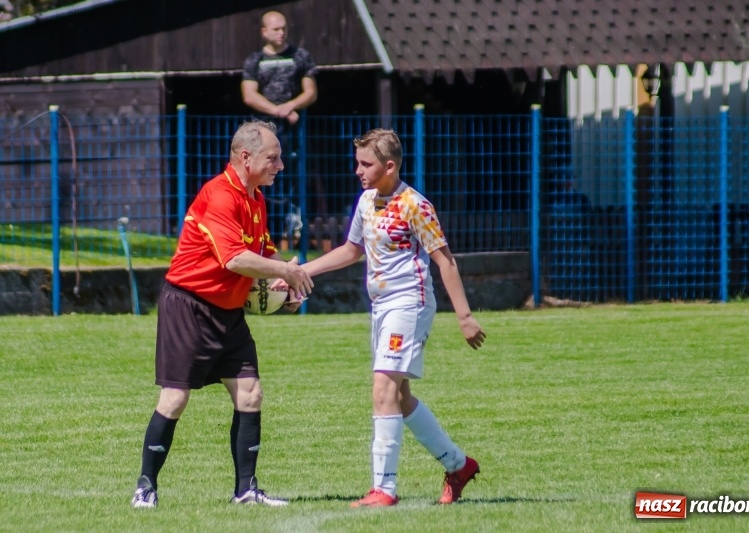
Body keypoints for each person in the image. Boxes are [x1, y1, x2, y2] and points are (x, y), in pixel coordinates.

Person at [130, 120, 314, 509]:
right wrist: (286, 271)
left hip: (229, 312)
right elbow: (233, 258)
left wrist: (283, 290)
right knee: (175, 398)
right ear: (245, 158)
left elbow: (262, 256)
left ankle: (246, 490)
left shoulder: (256, 199)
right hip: (189, 306)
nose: (280, 165)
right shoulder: (219, 195)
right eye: (273, 158)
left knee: (250, 393)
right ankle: (145, 486)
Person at [301, 129, 487, 507]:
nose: (358, 170)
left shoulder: (415, 205)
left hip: (410, 304)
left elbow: (444, 260)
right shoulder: (367, 201)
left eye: (365, 164)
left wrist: (464, 316)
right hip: (382, 307)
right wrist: (303, 271)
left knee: (382, 388)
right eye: (357, 162)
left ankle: (383, 489)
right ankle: (458, 464)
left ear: (389, 166)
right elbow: (351, 250)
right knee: (399, 397)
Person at [241, 10, 318, 131]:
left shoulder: (301, 55)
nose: (281, 33)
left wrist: (290, 106)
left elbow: (311, 93)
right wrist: (277, 111)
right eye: (276, 29)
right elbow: (249, 96)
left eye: (284, 29)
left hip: (295, 125)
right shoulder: (254, 59)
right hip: (262, 126)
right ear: (264, 32)